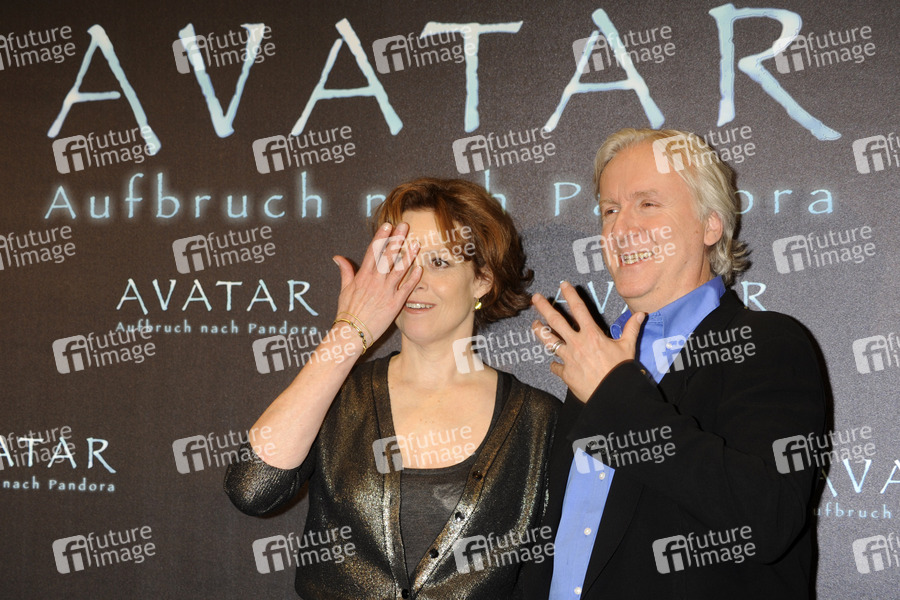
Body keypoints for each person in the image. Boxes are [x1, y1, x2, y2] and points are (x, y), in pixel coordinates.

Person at [521, 128, 826, 599]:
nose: (621, 229)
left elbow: (768, 520)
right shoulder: (599, 360)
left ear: (710, 225)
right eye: (609, 210)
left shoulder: (766, 344)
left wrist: (614, 393)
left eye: (647, 204)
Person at [225, 177, 559, 599]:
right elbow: (252, 489)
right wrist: (348, 333)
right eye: (402, 261)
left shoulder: (537, 420)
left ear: (482, 280)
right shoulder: (337, 395)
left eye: (439, 262)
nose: (414, 281)